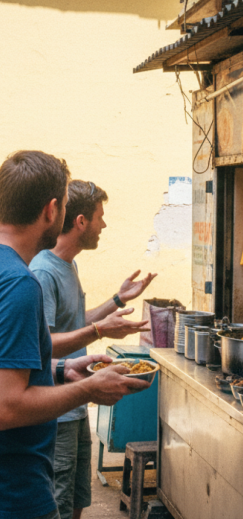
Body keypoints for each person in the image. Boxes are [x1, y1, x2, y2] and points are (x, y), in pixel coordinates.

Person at [0, 150, 151, 519]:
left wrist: (58, 371)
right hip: (16, 494)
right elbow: (6, 406)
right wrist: (87, 389)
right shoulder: (22, 282)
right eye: (66, 205)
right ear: (52, 210)